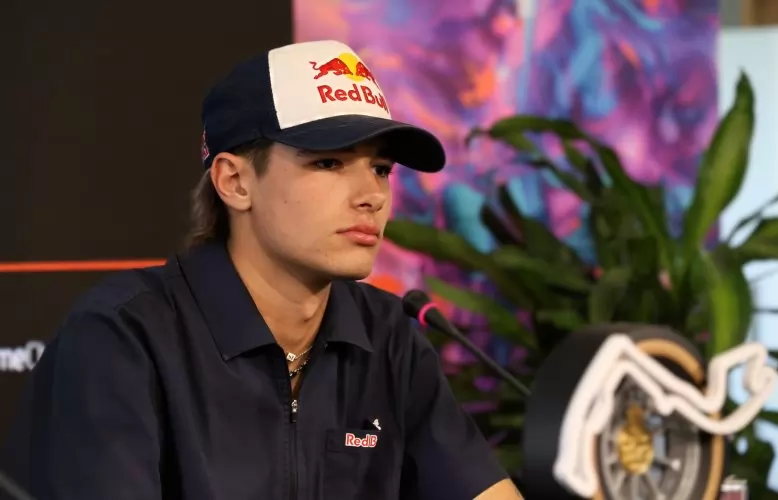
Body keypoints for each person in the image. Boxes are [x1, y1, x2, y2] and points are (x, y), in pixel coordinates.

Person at [1, 40, 523, 499]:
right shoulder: (123, 337)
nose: (372, 196)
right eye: (329, 162)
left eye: (381, 169)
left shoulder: (389, 337)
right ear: (235, 182)